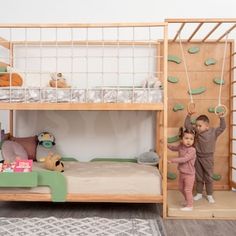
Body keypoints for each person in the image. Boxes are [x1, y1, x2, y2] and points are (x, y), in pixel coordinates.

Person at [185, 112, 226, 203]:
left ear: (207, 126)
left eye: (200, 126)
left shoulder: (213, 132)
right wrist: (188, 115)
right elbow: (187, 126)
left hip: (208, 158)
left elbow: (222, 127)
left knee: (208, 177)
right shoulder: (196, 131)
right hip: (198, 157)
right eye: (196, 125)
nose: (197, 127)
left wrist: (222, 118)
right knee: (199, 176)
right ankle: (199, 193)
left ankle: (209, 194)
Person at [168, 128, 196, 211]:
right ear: (182, 138)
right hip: (182, 172)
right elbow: (174, 148)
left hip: (190, 174)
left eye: (191, 139)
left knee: (187, 189)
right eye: (186, 138)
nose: (189, 141)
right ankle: (188, 200)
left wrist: (172, 160)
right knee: (180, 188)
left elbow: (184, 159)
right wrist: (167, 145)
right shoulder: (181, 146)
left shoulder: (192, 150)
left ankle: (190, 205)